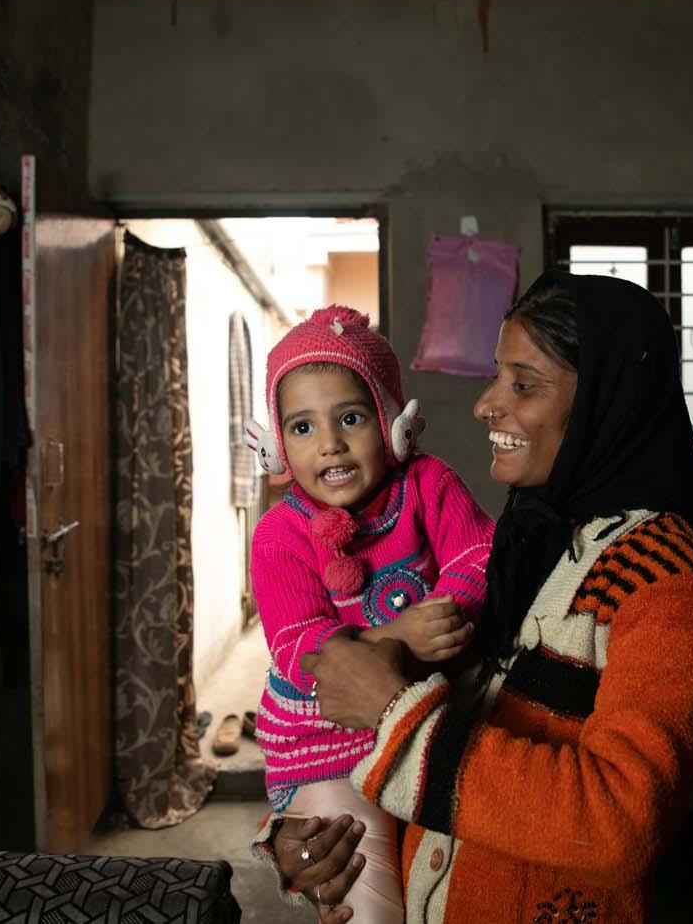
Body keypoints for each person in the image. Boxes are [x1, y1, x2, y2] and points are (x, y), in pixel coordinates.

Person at [256, 271, 693, 923]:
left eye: (523, 384)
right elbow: (448, 744)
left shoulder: (663, 580)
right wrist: (310, 837)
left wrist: (396, 716)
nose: (485, 405)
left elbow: (620, 824)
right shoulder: (529, 539)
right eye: (496, 376)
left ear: (602, 398)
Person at [243, 305, 497, 923]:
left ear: (391, 426)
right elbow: (301, 651)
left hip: (424, 720)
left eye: (351, 418)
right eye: (300, 428)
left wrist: (449, 609)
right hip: (324, 746)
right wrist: (402, 636)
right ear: (277, 446)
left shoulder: (429, 483)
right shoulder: (279, 535)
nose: (328, 443)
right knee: (370, 898)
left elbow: (482, 553)